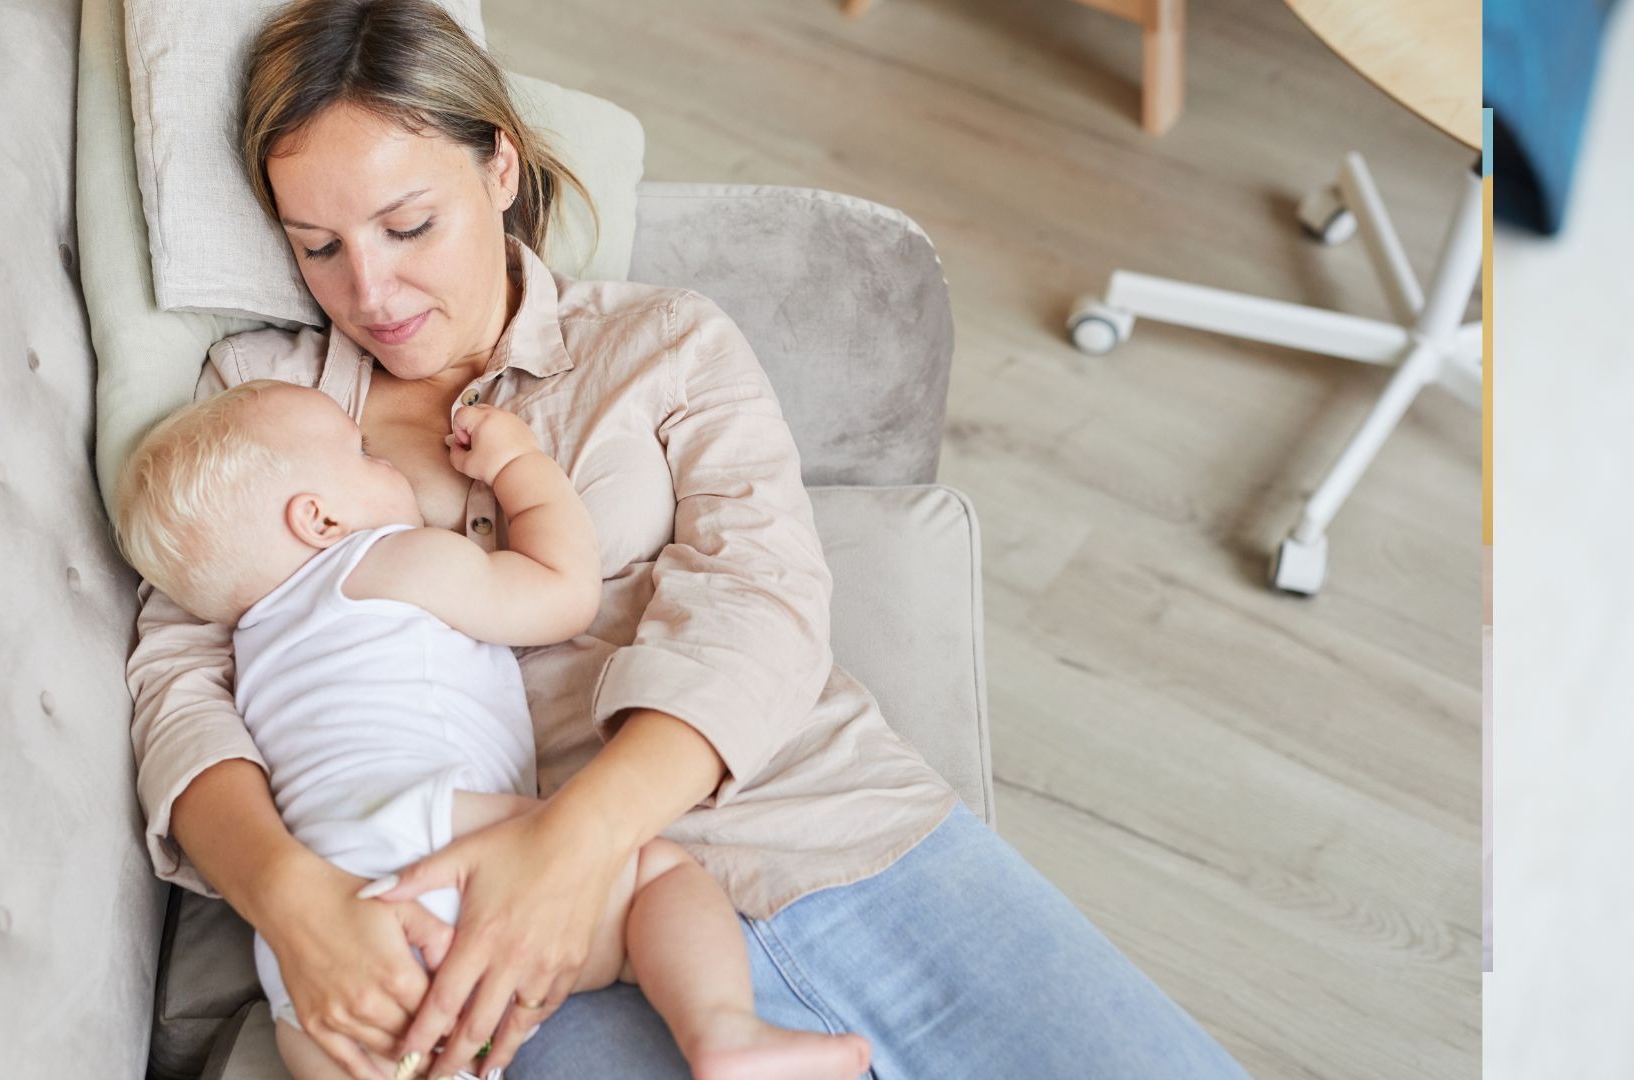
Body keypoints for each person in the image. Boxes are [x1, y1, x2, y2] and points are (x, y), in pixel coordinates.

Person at [123, 0, 1254, 1077]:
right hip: (515, 954)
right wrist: (291, 901)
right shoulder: (261, 405)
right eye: (317, 248)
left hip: (817, 824)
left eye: (408, 224)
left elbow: (761, 598)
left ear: (499, 168)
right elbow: (180, 676)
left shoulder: (661, 345)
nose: (369, 289)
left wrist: (567, 850)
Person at [112, 380, 873, 1080]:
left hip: (313, 937)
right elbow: (561, 592)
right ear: (320, 520)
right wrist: (520, 466)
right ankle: (723, 1032)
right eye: (364, 453)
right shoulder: (384, 561)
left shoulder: (256, 649)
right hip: (427, 831)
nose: (389, 463)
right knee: (661, 876)